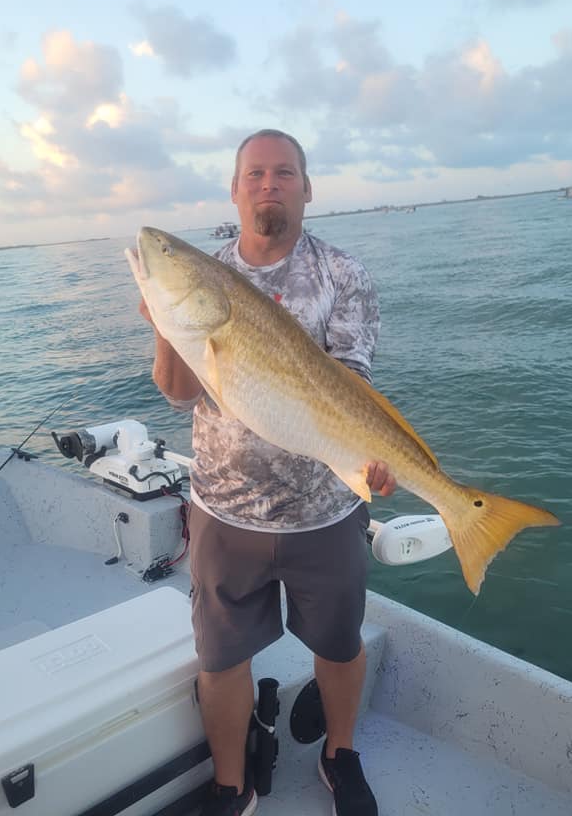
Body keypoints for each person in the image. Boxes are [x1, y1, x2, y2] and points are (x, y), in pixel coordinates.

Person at [141, 129, 396, 816]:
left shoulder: (343, 275)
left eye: (284, 173)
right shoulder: (204, 276)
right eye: (254, 173)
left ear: (306, 189)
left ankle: (340, 758)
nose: (268, 185)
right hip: (224, 511)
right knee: (221, 661)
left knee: (339, 648)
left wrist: (372, 458)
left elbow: (350, 387)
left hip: (325, 513)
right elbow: (177, 391)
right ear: (235, 188)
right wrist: (167, 324)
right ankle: (233, 782)